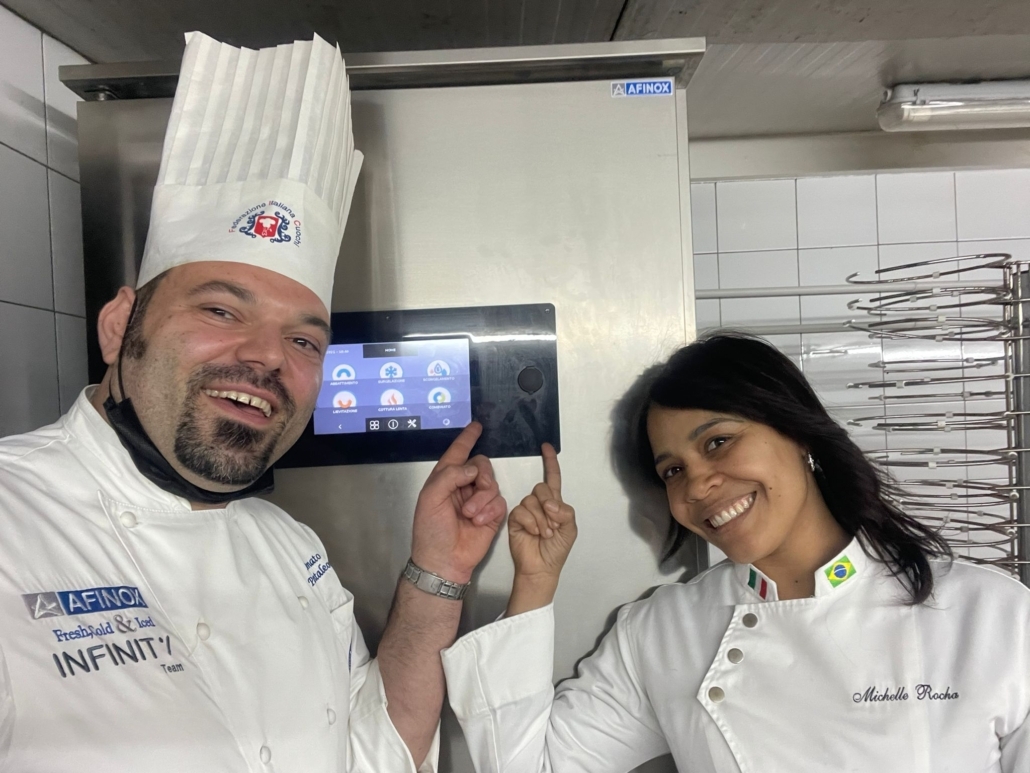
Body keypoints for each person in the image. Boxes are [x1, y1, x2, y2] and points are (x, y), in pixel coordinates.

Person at [0, 32, 510, 772]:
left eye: (303, 340)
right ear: (119, 326)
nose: (269, 356)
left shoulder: (291, 547)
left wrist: (439, 571)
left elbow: (378, 748)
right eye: (220, 310)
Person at [441, 333, 1030, 773]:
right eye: (673, 471)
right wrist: (535, 580)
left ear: (798, 433)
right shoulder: (663, 633)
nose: (698, 485)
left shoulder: (991, 617)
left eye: (718, 442)